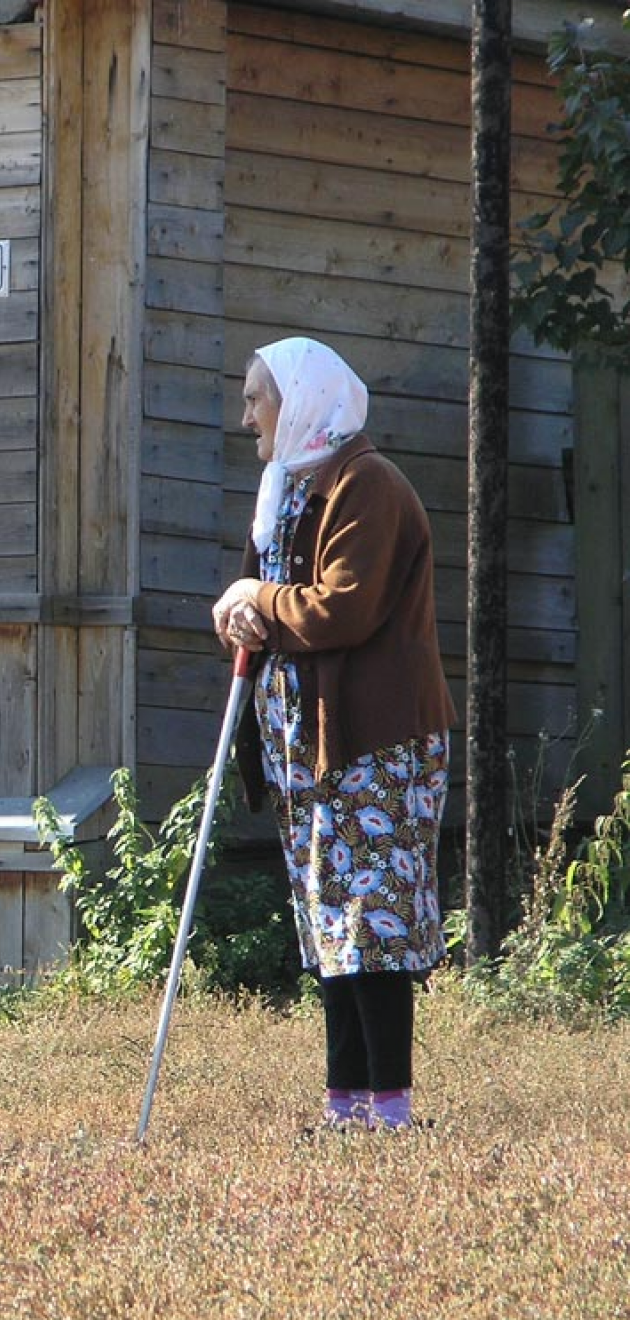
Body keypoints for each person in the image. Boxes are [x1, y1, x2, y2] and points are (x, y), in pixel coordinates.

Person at [212, 337, 456, 1132]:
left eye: (257, 397)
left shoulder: (367, 486)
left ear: (303, 401)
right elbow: (273, 610)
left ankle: (391, 1109)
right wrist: (239, 608)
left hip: (373, 743)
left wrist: (259, 596)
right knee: (329, 925)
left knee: (372, 925)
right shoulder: (286, 488)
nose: (246, 413)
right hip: (307, 746)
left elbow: (341, 607)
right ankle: (345, 1106)